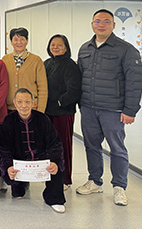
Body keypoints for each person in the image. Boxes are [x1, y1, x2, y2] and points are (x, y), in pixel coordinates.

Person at [75, 9, 142, 206]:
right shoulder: (85, 48)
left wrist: (130, 110)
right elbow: (79, 77)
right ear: (92, 24)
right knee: (91, 146)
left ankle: (119, 187)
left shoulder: (126, 50)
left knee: (117, 148)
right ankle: (95, 181)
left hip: (113, 109)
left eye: (106, 21)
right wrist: (80, 103)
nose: (101, 25)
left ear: (113, 25)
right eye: (97, 21)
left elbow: (134, 82)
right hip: (88, 107)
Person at [0, 88, 66, 213]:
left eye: (27, 102)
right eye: (20, 102)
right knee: (18, 194)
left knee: (56, 168)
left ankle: (54, 199)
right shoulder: (9, 120)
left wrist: (54, 161)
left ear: (33, 103)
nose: (24, 106)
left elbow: (55, 144)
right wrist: (8, 166)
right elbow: (4, 148)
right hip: (20, 160)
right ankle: (21, 185)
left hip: (41, 158)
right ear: (14, 103)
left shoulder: (43, 118)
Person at [44, 34, 82, 190]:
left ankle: (64, 178)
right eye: (53, 44)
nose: (55, 47)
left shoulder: (70, 65)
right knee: (49, 146)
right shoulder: (46, 63)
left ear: (66, 48)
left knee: (63, 146)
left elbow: (74, 90)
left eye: (59, 45)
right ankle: (51, 176)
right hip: (47, 112)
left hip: (63, 113)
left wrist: (59, 102)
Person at [2, 27, 48, 113]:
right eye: (15, 39)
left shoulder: (36, 60)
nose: (19, 42)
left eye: (22, 39)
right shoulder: (5, 60)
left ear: (27, 41)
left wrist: (40, 111)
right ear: (11, 42)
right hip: (10, 108)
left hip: (30, 107)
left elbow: (42, 88)